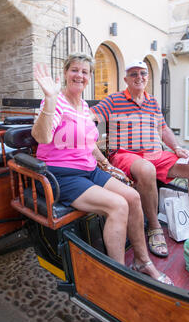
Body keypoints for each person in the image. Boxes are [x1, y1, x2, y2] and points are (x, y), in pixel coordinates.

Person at [31, 53, 173, 285]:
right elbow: (41, 136)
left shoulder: (85, 106)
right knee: (118, 206)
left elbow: (89, 143)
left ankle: (142, 261)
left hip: (89, 169)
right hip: (62, 174)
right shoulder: (55, 101)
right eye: (75, 70)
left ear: (89, 78)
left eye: (85, 72)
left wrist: (106, 165)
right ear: (66, 73)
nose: (80, 75)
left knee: (133, 197)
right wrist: (49, 98)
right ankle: (117, 276)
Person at [91, 59, 189, 258]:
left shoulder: (153, 101)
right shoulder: (114, 100)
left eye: (143, 73)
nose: (139, 77)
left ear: (147, 77)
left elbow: (163, 129)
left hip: (154, 153)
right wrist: (73, 115)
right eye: (134, 74)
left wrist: (177, 148)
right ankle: (154, 227)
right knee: (146, 169)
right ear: (126, 79)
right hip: (124, 154)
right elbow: (92, 116)